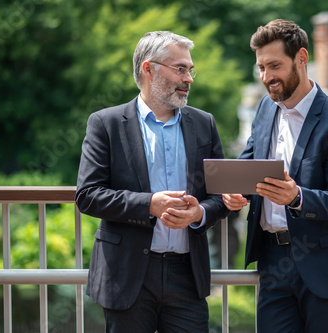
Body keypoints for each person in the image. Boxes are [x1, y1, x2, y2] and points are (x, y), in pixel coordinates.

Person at [75, 31, 228, 333]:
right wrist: (150, 205)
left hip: (187, 275)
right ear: (149, 69)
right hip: (128, 275)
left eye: (190, 69)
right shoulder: (105, 123)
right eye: (180, 68)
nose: (189, 78)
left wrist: (199, 214)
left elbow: (221, 195)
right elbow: (88, 195)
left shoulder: (204, 123)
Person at [222, 19, 328, 332]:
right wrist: (236, 191)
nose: (266, 77)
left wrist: (296, 197)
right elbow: (249, 163)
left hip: (324, 264)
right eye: (260, 67)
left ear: (302, 58)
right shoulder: (264, 108)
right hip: (272, 261)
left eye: (274, 65)